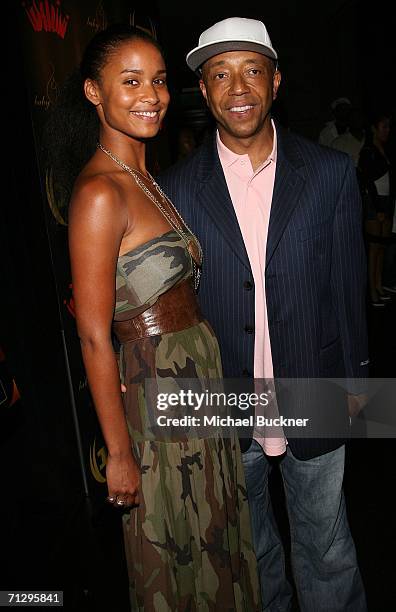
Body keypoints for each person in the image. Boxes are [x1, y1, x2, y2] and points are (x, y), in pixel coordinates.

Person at [158, 17, 368, 612]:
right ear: (204, 92)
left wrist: (356, 400)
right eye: (219, 75)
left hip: (316, 389)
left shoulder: (329, 174)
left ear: (276, 81)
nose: (238, 88)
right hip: (225, 403)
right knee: (250, 552)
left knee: (326, 549)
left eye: (252, 70)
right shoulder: (173, 189)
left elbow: (351, 296)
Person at [61, 24, 260, 611]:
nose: (151, 94)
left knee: (215, 530)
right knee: (180, 540)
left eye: (159, 80)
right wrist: (119, 453)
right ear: (95, 93)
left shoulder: (147, 179)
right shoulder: (100, 194)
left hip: (196, 374)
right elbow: (95, 337)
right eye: (130, 81)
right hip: (157, 393)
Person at [358, 110, 394, 306]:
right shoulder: (368, 150)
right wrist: (379, 208)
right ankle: (371, 291)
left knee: (381, 247)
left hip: (386, 202)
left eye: (388, 127)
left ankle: (379, 286)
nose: (387, 130)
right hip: (374, 202)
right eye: (384, 127)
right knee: (373, 248)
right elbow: (368, 181)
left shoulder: (385, 150)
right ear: (374, 129)